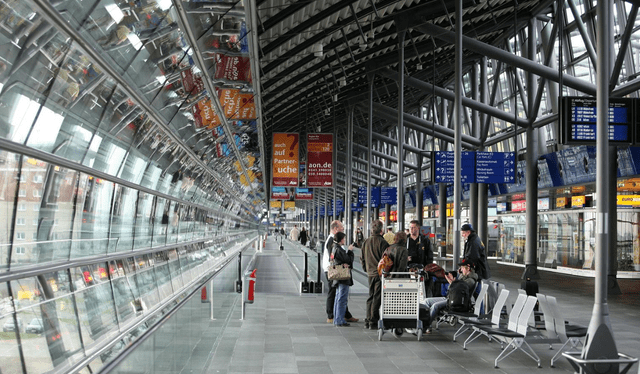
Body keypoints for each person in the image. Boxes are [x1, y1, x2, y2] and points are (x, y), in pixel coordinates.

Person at [422, 259, 478, 333]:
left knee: (435, 306)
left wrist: (451, 282)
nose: (461, 269)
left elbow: (457, 291)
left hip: (456, 302)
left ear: (468, 268)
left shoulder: (470, 281)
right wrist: (452, 282)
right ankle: (425, 323)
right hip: (450, 298)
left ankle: (425, 326)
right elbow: (453, 289)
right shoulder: (462, 277)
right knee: (427, 301)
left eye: (462, 267)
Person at [323, 220, 358, 323]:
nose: (343, 229)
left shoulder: (333, 241)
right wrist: (342, 262)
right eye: (341, 228)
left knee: (340, 293)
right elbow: (333, 257)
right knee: (334, 293)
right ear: (335, 229)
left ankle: (345, 314)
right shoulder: (331, 241)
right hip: (333, 270)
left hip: (334, 269)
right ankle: (331, 316)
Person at [360, 219, 389, 329]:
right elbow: (385, 260)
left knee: (371, 296)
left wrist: (366, 269)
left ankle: (367, 319)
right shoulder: (383, 243)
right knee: (377, 297)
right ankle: (373, 320)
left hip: (370, 274)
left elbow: (361, 258)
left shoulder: (366, 242)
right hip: (379, 274)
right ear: (381, 230)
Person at [330, 232, 353, 326]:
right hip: (342, 276)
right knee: (342, 299)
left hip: (338, 276)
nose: (344, 240)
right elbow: (348, 260)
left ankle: (337, 319)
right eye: (343, 238)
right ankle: (339, 320)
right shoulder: (339, 249)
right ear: (340, 239)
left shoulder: (334, 248)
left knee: (338, 298)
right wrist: (350, 251)